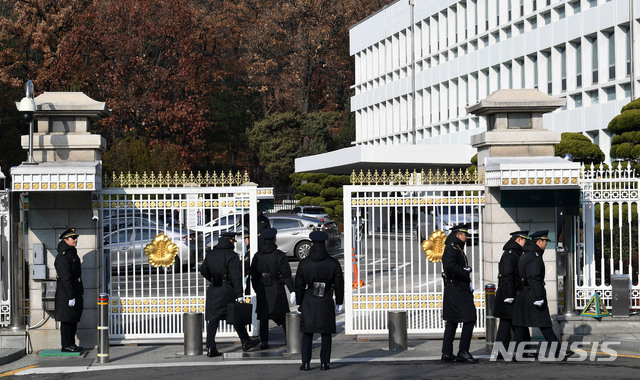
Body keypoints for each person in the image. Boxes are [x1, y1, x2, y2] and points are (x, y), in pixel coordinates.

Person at [512, 230, 571, 359]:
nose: (545, 244)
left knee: (521, 324)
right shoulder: (534, 256)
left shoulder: (526, 254)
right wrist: (539, 297)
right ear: (539, 241)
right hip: (533, 295)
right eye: (545, 242)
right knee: (544, 324)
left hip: (524, 294)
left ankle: (516, 352)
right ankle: (558, 352)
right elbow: (534, 278)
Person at [200, 231, 260, 357]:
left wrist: (213, 278)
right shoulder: (231, 255)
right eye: (233, 241)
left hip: (214, 288)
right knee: (236, 315)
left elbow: (203, 270)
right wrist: (239, 294)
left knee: (213, 319)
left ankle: (211, 347)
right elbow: (235, 276)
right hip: (227, 289)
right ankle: (245, 342)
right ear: (230, 241)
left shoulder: (211, 254)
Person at [295, 231, 344, 371]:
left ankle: (306, 363)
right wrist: (339, 301)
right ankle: (324, 363)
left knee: (308, 332)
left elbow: (299, 285)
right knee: (326, 332)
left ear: (311, 244)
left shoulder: (304, 263)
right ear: (325, 244)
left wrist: (299, 302)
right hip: (326, 297)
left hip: (309, 298)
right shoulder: (333, 262)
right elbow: (339, 284)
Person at [250, 228, 296, 349]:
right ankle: (290, 339)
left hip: (262, 288)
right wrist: (292, 290)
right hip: (276, 287)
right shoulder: (279, 255)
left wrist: (257, 288)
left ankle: (264, 342)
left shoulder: (257, 256)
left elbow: (253, 275)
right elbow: (286, 274)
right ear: (274, 240)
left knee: (263, 318)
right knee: (281, 316)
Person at [440, 223, 478, 364]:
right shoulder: (452, 248)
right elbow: (449, 265)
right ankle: (462, 351)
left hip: (456, 287)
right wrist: (464, 271)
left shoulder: (456, 247)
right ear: (458, 235)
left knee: (453, 321)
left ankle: (447, 353)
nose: (467, 236)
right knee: (470, 318)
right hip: (456, 288)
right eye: (465, 234)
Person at [494, 230, 531, 354]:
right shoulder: (510, 254)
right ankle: (503, 350)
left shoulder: (517, 253)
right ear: (518, 240)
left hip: (515, 292)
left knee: (515, 322)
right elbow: (507, 276)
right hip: (508, 294)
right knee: (508, 322)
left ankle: (520, 348)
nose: (525, 242)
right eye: (524, 240)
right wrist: (510, 295)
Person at [54, 228, 84, 352]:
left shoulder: (71, 253)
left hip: (75, 290)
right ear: (65, 240)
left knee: (73, 318)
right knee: (67, 320)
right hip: (67, 293)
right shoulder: (63, 256)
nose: (76, 240)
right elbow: (65, 278)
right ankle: (66, 345)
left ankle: (71, 344)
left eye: (76, 238)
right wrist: (71, 296)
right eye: (73, 238)